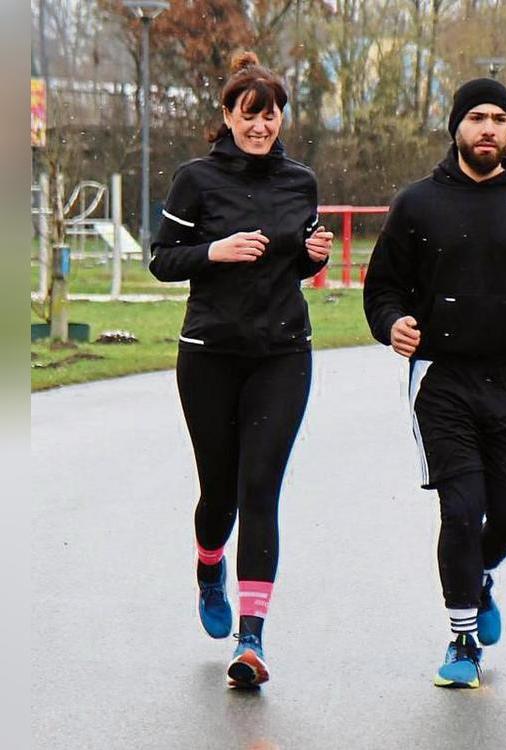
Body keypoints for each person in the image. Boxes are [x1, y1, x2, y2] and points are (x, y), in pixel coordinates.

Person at [363, 78, 506, 689]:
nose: (488, 128)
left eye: (499, 119)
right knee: (461, 510)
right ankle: (462, 637)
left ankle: (476, 577)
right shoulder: (418, 202)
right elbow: (383, 289)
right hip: (441, 379)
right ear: (456, 126)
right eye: (477, 117)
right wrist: (393, 325)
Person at [149, 51, 332, 688]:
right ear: (227, 116)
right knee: (219, 493)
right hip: (209, 355)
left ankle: (250, 640)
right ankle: (207, 564)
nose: (261, 126)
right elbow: (162, 261)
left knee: (260, 488)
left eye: (271, 114)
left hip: (283, 352)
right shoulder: (195, 180)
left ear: (283, 118)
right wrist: (215, 252)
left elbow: (299, 265)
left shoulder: (300, 181)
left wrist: (314, 254)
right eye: (249, 115)